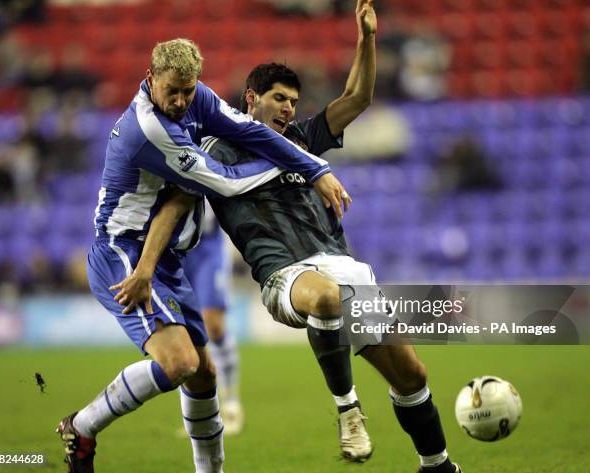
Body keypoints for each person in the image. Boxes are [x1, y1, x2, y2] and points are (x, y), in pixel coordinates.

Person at [113, 3, 463, 471]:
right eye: (279, 98)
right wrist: (145, 268)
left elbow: (357, 98)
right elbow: (175, 203)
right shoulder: (211, 151)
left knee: (411, 374)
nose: (288, 109)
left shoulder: (299, 140)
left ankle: (437, 464)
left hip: (345, 265)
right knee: (325, 300)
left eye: (294, 102)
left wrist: (366, 39)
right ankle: (348, 410)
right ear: (250, 97)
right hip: (285, 276)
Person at [56, 38, 351, 473]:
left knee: (203, 375)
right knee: (179, 363)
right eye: (171, 90)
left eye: (187, 91)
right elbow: (226, 181)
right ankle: (82, 426)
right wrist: (304, 163)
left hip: (167, 255)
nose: (179, 101)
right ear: (150, 77)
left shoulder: (200, 100)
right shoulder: (149, 128)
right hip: (125, 252)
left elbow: (254, 133)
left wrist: (317, 169)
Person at [181, 204, 244, 434]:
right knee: (185, 331)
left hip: (209, 246)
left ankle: (230, 402)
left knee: (213, 325)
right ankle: (197, 414)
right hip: (175, 247)